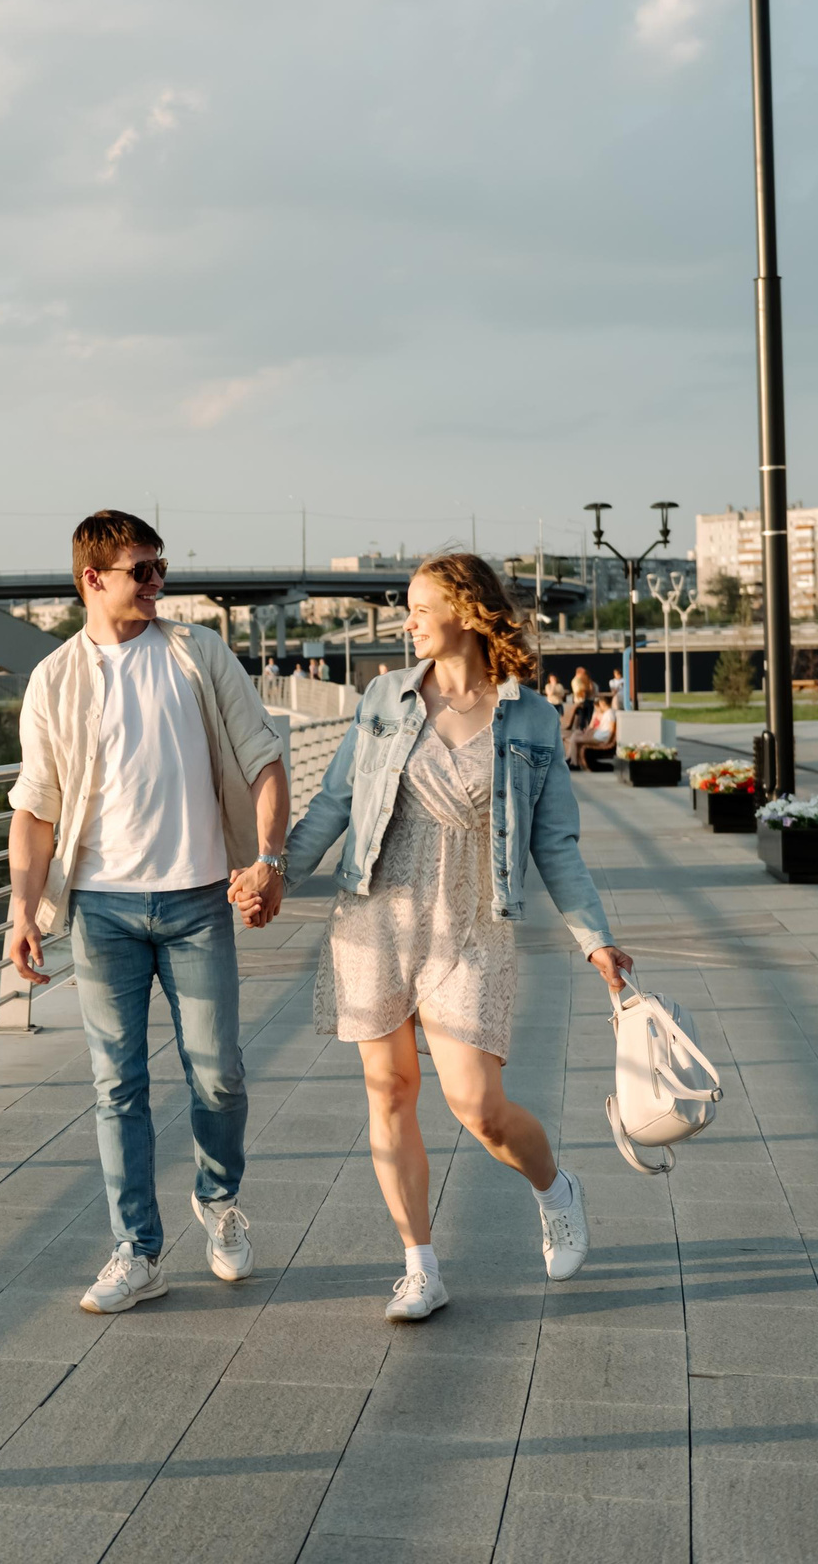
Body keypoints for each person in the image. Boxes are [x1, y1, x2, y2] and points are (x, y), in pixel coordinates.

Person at [251, 554, 631, 1322]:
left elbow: (555, 843)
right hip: (377, 912)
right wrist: (276, 870)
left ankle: (555, 1187)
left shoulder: (527, 717)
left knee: (477, 1104)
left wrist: (596, 938)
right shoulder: (385, 697)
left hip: (471, 919)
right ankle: (419, 1264)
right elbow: (334, 801)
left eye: (421, 607)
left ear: (465, 609)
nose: (408, 620)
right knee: (388, 1089)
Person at [8, 510, 289, 1315]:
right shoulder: (54, 678)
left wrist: (268, 860)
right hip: (101, 912)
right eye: (143, 570)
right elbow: (34, 809)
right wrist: (24, 909)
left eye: (161, 566)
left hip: (201, 900)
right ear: (93, 579)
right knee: (116, 1085)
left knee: (220, 1075)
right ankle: (138, 1249)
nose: (159, 581)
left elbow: (265, 756)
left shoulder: (198, 655)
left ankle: (219, 1196)